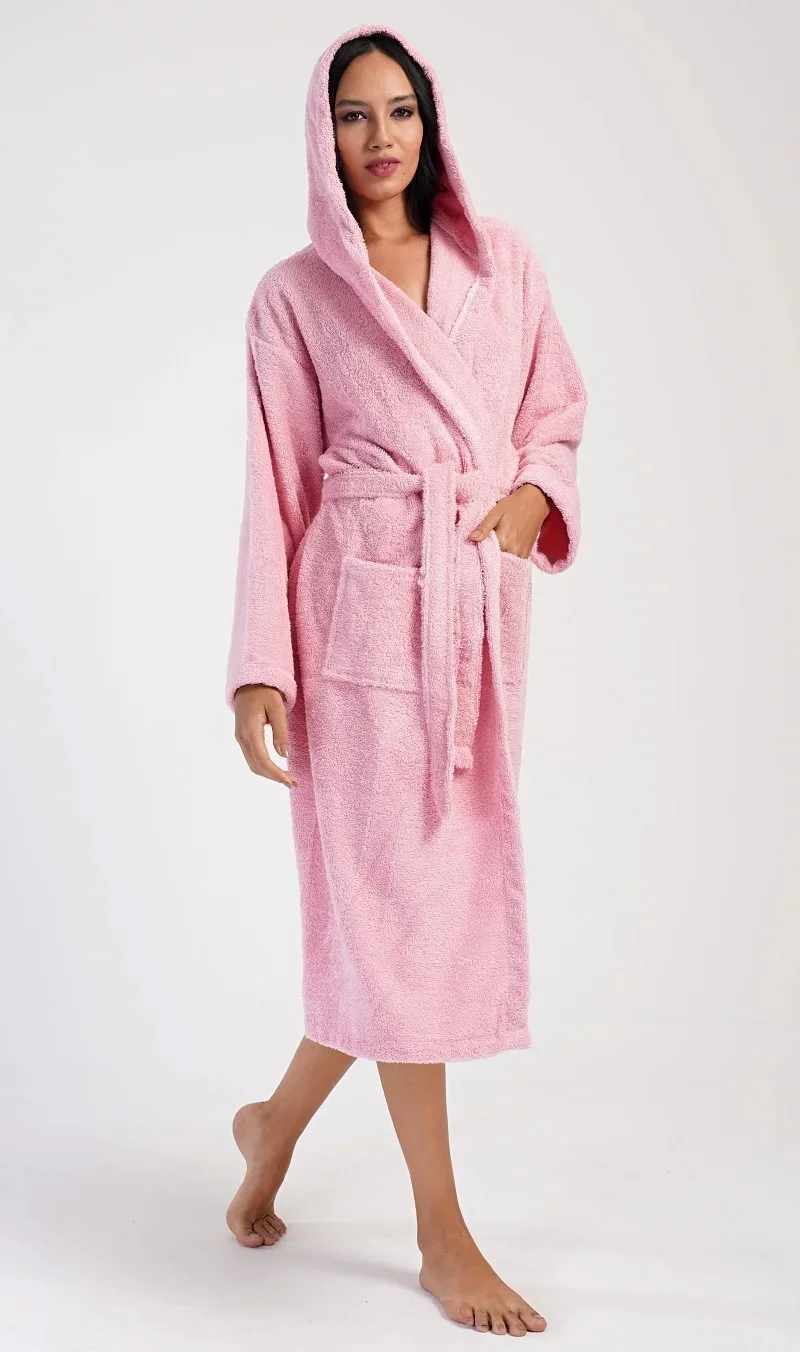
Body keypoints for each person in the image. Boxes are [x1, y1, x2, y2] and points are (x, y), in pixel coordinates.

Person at [224, 22, 587, 1337]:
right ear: (321, 138)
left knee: (399, 927)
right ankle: (443, 1234)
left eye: (400, 111)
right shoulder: (294, 297)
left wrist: (532, 495)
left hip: (472, 624)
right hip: (360, 631)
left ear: (432, 126)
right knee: (396, 923)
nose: (379, 138)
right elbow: (274, 487)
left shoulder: (507, 265)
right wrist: (260, 668)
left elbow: (556, 410)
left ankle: (271, 1128)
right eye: (353, 116)